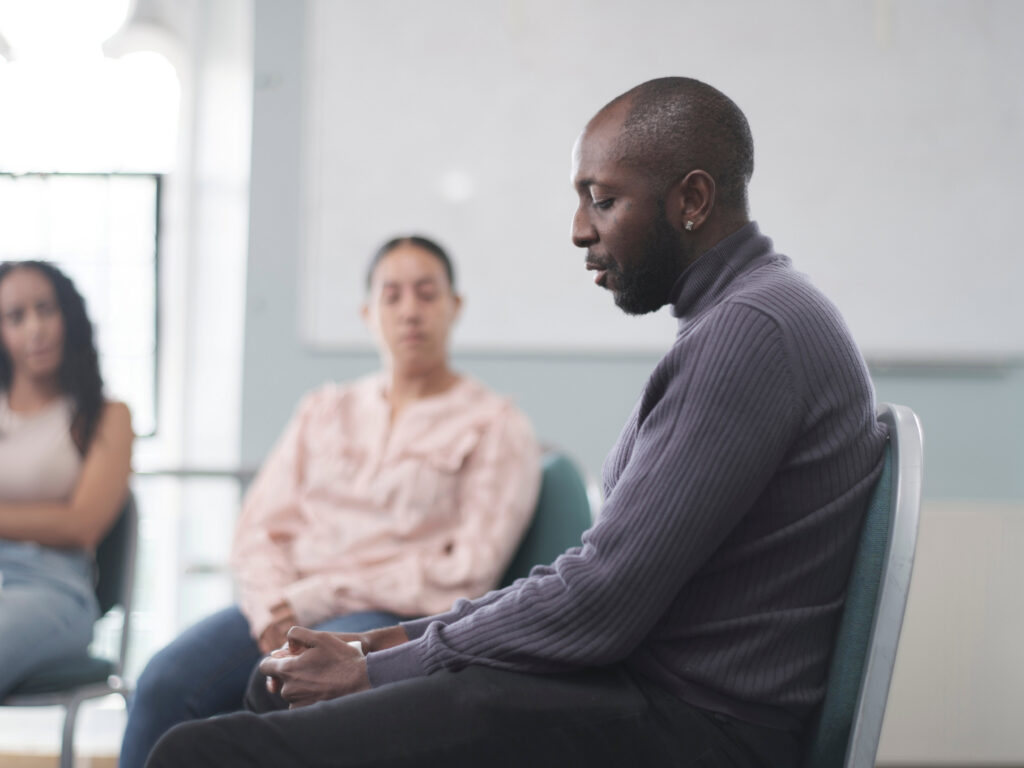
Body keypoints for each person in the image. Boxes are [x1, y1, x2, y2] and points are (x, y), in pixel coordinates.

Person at [147, 78, 888, 768]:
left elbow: (601, 601)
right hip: (648, 692)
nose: (579, 230)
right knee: (268, 693)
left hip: (694, 726)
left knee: (199, 754)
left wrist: (382, 665)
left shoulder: (751, 333)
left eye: (602, 200)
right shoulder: (744, 319)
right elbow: (601, 581)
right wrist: (393, 642)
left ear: (691, 199)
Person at [121, 235, 541, 767]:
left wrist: (317, 598)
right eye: (392, 295)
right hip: (286, 603)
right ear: (368, 313)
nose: (410, 310)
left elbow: (467, 574)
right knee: (164, 681)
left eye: (426, 293)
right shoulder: (324, 409)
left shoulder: (496, 425)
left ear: (454, 306)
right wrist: (272, 606)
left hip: (385, 619)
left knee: (294, 689)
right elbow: (259, 529)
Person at [0, 261, 133, 697]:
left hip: (52, 590)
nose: (35, 328)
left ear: (68, 317)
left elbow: (82, 524)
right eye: (16, 316)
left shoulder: (107, 416)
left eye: (46, 309)